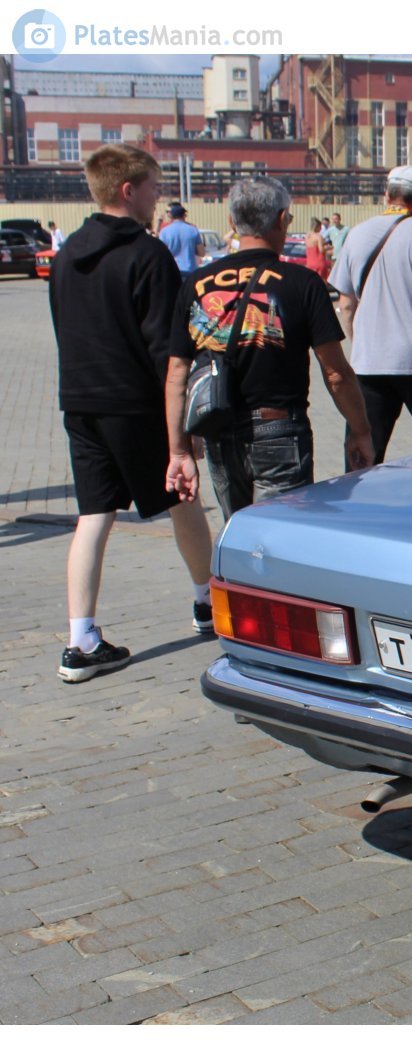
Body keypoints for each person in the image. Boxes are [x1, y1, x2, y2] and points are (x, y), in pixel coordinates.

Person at [48, 144, 214, 683]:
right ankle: (207, 602)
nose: (158, 197)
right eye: (153, 187)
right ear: (128, 190)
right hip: (136, 402)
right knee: (181, 494)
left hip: (81, 399)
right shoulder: (148, 255)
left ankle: (80, 639)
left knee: (93, 516)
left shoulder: (68, 252)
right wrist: (182, 434)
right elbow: (168, 350)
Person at [163, 176, 374, 520]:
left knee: (240, 536)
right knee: (280, 542)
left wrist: (179, 451)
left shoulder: (196, 284)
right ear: (280, 220)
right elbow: (336, 374)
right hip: (280, 431)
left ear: (231, 223)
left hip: (217, 426)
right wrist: (360, 430)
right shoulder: (302, 283)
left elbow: (176, 374)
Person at [329, 165, 412, 463]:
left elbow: (346, 303)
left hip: (370, 363)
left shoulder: (357, 234)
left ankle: (356, 504)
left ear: (387, 195)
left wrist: (360, 342)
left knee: (365, 449)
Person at [158, 202, 204, 273]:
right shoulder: (193, 230)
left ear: (171, 216)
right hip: (190, 270)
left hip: (172, 270)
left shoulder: (164, 231)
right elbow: (202, 253)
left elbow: (161, 254)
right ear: (183, 215)